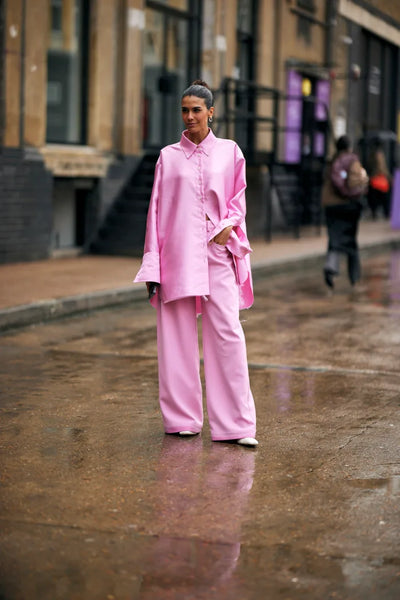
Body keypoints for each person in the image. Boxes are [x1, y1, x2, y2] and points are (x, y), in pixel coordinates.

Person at [134, 80, 257, 447]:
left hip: (217, 255)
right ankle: (181, 419)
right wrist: (153, 268)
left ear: (211, 112)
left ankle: (237, 425)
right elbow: (155, 212)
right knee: (175, 338)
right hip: (176, 257)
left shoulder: (230, 152)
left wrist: (227, 226)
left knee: (228, 335)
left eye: (196, 110)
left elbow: (238, 200)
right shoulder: (167, 156)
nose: (189, 117)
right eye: (184, 111)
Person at [321, 135, 368, 290]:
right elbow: (360, 182)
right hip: (350, 206)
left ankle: (331, 268)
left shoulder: (332, 161)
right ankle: (354, 278)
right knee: (351, 242)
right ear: (349, 147)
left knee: (334, 239)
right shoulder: (353, 160)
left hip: (332, 206)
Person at [366, 139, 391, 219]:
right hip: (379, 179)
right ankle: (386, 213)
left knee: (374, 198)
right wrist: (388, 176)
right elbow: (382, 167)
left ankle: (374, 213)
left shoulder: (371, 154)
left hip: (374, 179)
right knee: (384, 198)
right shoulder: (379, 154)